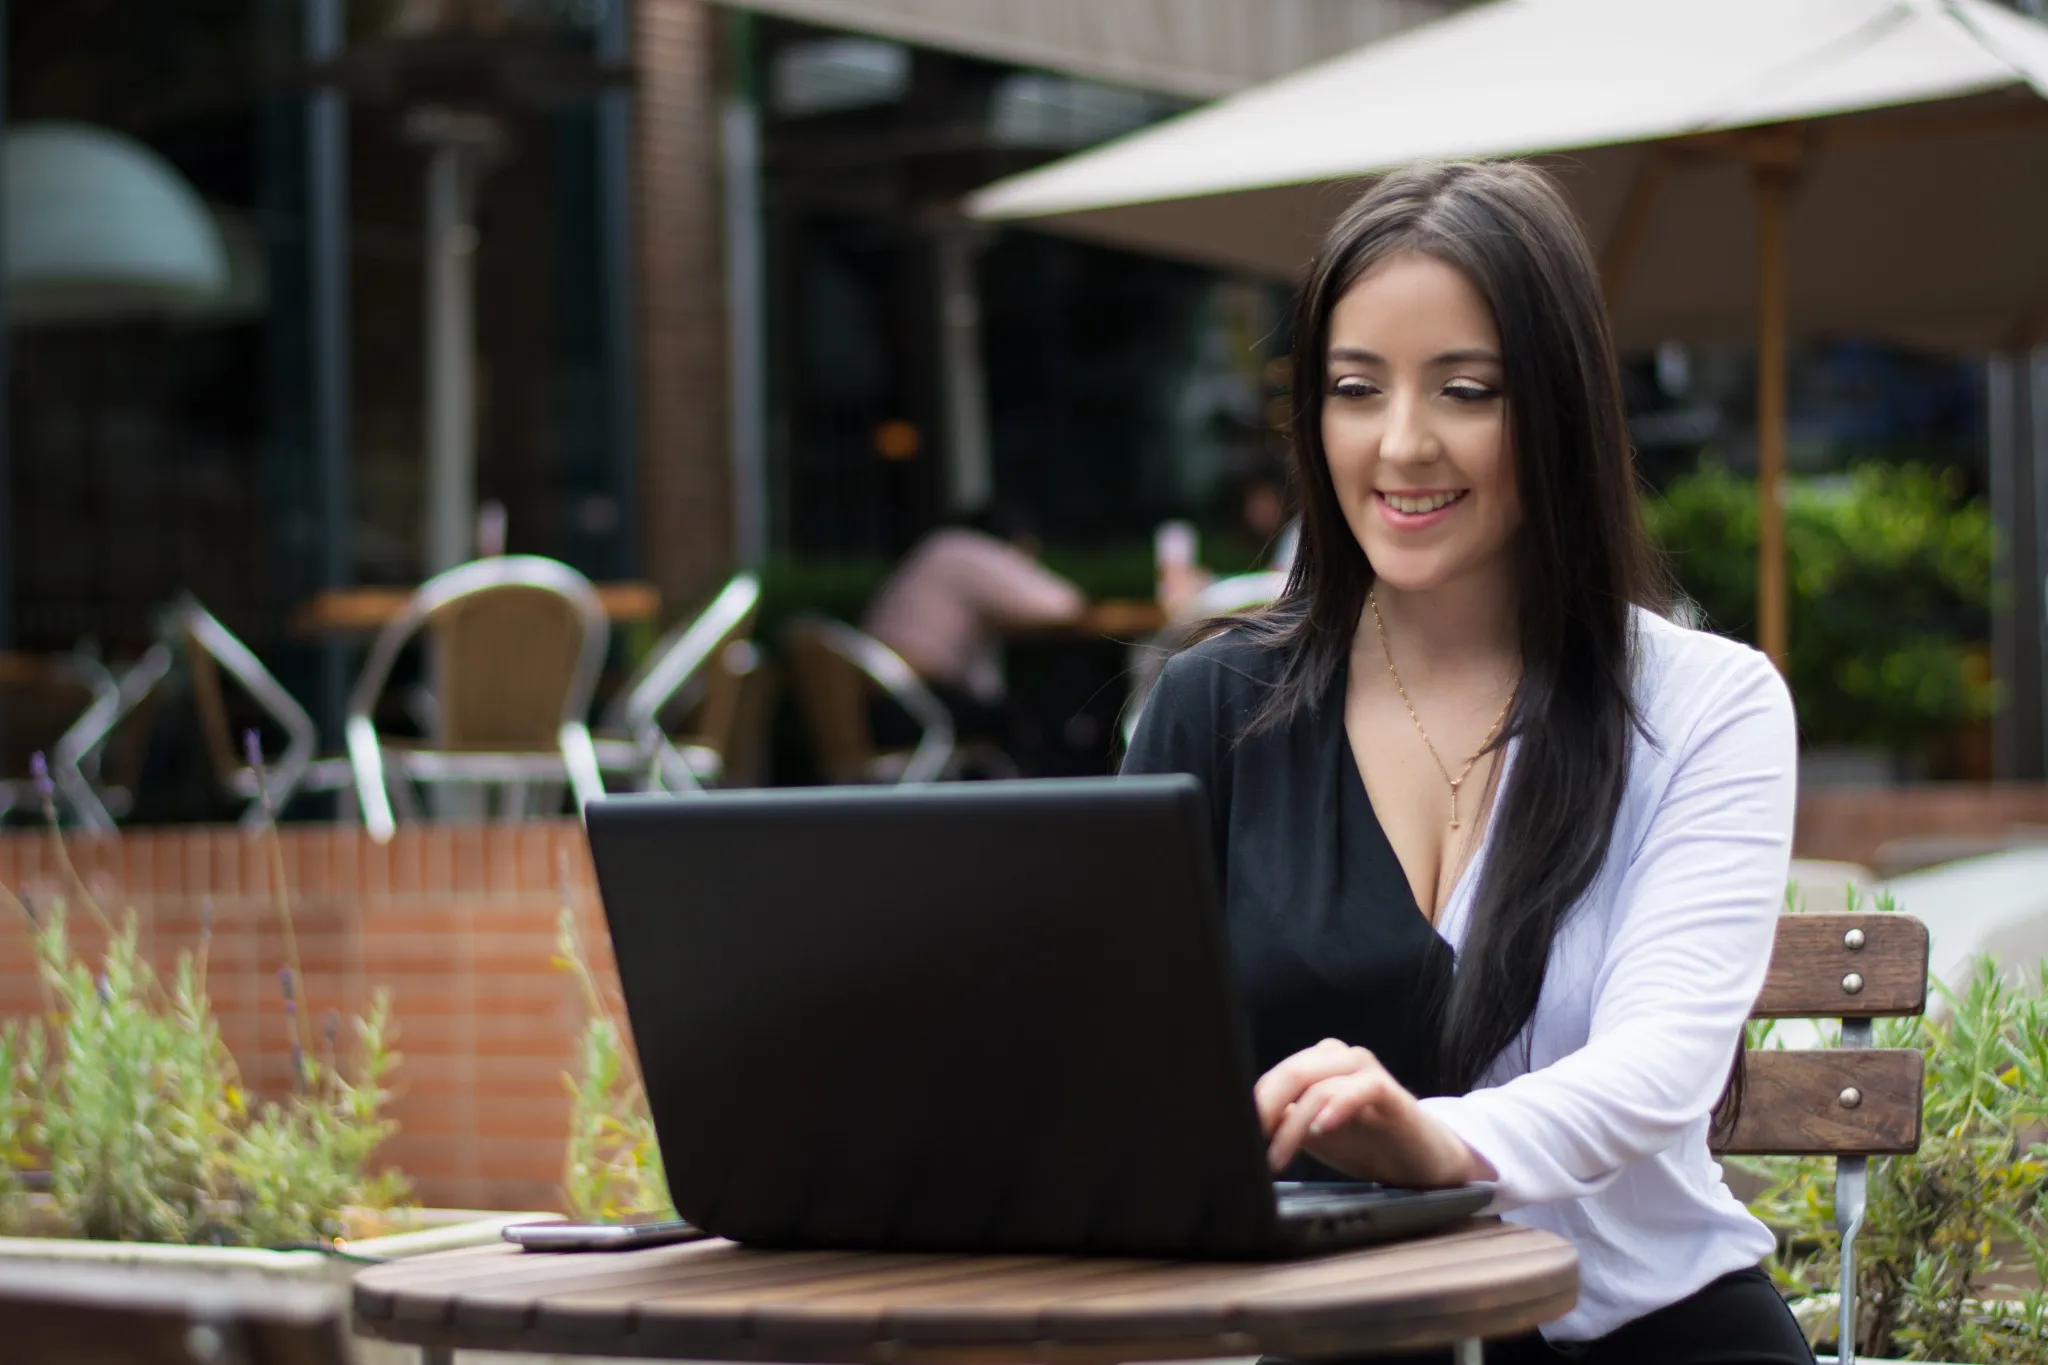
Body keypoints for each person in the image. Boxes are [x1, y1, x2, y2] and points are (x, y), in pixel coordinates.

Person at [1122, 162, 1807, 1365]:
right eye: (1352, 388)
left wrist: (1440, 1144)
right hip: (1330, 1342)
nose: (1400, 444)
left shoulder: (1704, 706)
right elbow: (1109, 1062)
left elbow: (1659, 1068)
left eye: (1465, 390)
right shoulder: (1211, 708)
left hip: (1652, 1334)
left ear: (1553, 409)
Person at [862, 506, 1086, 746]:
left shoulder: (937, 550)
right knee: (1031, 722)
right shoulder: (965, 550)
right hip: (913, 706)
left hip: (884, 702)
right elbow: (1064, 605)